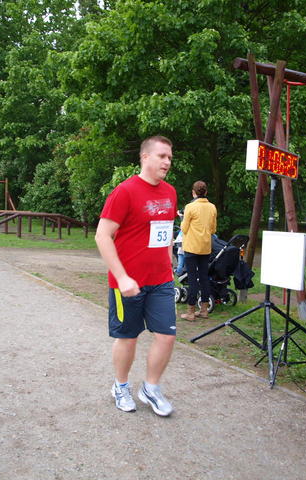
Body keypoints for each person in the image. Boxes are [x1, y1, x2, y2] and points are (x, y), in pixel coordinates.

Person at [95, 135, 177, 416]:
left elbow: (166, 230)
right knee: (128, 338)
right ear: (145, 157)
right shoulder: (125, 191)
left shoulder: (170, 192)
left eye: (169, 157)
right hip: (127, 283)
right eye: (162, 156)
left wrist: (169, 260)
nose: (167, 161)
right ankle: (120, 385)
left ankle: (150, 388)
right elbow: (102, 236)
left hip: (161, 280)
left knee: (166, 336)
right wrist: (122, 277)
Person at [180, 180, 217, 321]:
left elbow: (184, 228)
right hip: (205, 247)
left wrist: (182, 218)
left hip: (191, 247)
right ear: (206, 192)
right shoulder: (212, 207)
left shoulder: (190, 207)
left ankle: (190, 312)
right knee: (204, 278)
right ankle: (204, 310)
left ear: (193, 193)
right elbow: (213, 229)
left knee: (192, 278)